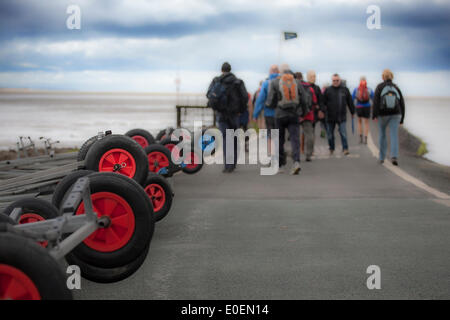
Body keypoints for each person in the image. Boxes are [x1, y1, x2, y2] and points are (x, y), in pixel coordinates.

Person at [266, 64, 308, 174]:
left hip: (279, 115)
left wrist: (272, 106)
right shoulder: (297, 82)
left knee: (279, 139)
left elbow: (270, 101)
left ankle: (280, 165)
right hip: (294, 115)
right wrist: (303, 112)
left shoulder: (275, 82)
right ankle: (296, 162)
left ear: (281, 72)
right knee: (295, 139)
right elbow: (304, 99)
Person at [207, 62, 248, 173]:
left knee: (226, 138)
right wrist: (241, 111)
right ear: (230, 70)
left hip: (221, 114)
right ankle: (233, 163)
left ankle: (227, 165)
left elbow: (209, 94)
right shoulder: (238, 82)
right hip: (234, 114)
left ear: (222, 70)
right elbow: (244, 97)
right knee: (234, 137)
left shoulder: (217, 81)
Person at [372, 69, 405, 166]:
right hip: (396, 114)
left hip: (383, 114)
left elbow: (376, 102)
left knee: (382, 135)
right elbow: (402, 103)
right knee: (394, 135)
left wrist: (374, 115)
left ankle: (382, 158)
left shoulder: (379, 87)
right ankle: (394, 156)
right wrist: (402, 118)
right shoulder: (396, 87)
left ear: (383, 77)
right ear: (392, 77)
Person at [323, 74, 355, 155]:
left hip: (342, 116)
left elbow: (350, 102)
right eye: (334, 80)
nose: (336, 82)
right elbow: (323, 102)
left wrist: (352, 112)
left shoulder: (345, 90)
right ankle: (331, 148)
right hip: (330, 116)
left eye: (337, 80)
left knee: (343, 133)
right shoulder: (328, 90)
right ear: (332, 81)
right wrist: (322, 111)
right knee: (330, 135)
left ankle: (345, 148)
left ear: (340, 80)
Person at [253, 65, 280, 159]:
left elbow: (260, 100)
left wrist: (255, 114)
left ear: (270, 72)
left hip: (269, 113)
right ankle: (278, 154)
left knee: (270, 135)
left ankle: (271, 154)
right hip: (280, 113)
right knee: (278, 134)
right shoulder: (282, 82)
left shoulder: (266, 83)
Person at [295, 72, 317, 162]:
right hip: (308, 114)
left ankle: (296, 154)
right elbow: (314, 101)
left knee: (294, 135)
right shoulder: (309, 88)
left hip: (295, 114)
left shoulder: (293, 87)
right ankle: (308, 154)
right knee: (309, 135)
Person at [352, 76, 374, 144]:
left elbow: (353, 98)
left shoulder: (356, 89)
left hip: (359, 106)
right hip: (367, 106)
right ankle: (366, 139)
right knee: (366, 123)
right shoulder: (369, 89)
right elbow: (373, 98)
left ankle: (360, 138)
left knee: (359, 122)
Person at [307, 70, 326, 142]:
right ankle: (306, 149)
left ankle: (310, 149)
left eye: (314, 76)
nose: (314, 78)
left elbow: (321, 100)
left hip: (314, 113)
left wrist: (321, 110)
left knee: (312, 131)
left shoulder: (317, 88)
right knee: (308, 132)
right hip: (308, 112)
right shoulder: (305, 86)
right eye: (312, 76)